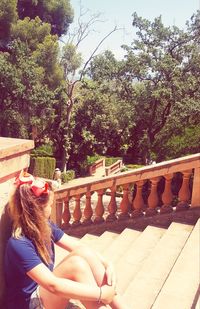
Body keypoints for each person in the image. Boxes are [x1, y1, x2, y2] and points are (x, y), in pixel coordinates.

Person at [4, 171, 129, 309]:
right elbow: (53, 285)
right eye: (50, 206)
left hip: (44, 294)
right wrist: (101, 293)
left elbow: (79, 248)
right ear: (37, 210)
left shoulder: (45, 226)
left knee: (83, 254)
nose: (51, 210)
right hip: (28, 304)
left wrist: (107, 264)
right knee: (76, 265)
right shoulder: (18, 243)